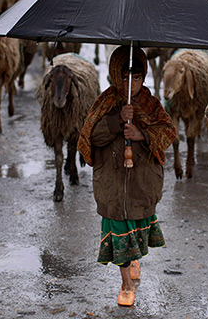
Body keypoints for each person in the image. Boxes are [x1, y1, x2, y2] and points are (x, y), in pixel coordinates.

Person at [78, 46, 177, 307]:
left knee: (135, 222)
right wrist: (116, 122)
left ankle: (134, 259)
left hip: (142, 183)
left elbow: (168, 133)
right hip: (111, 181)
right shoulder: (106, 102)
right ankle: (126, 284)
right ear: (113, 75)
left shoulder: (151, 105)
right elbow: (89, 138)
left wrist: (142, 135)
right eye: (124, 77)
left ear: (143, 76)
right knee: (118, 226)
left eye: (136, 77)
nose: (130, 83)